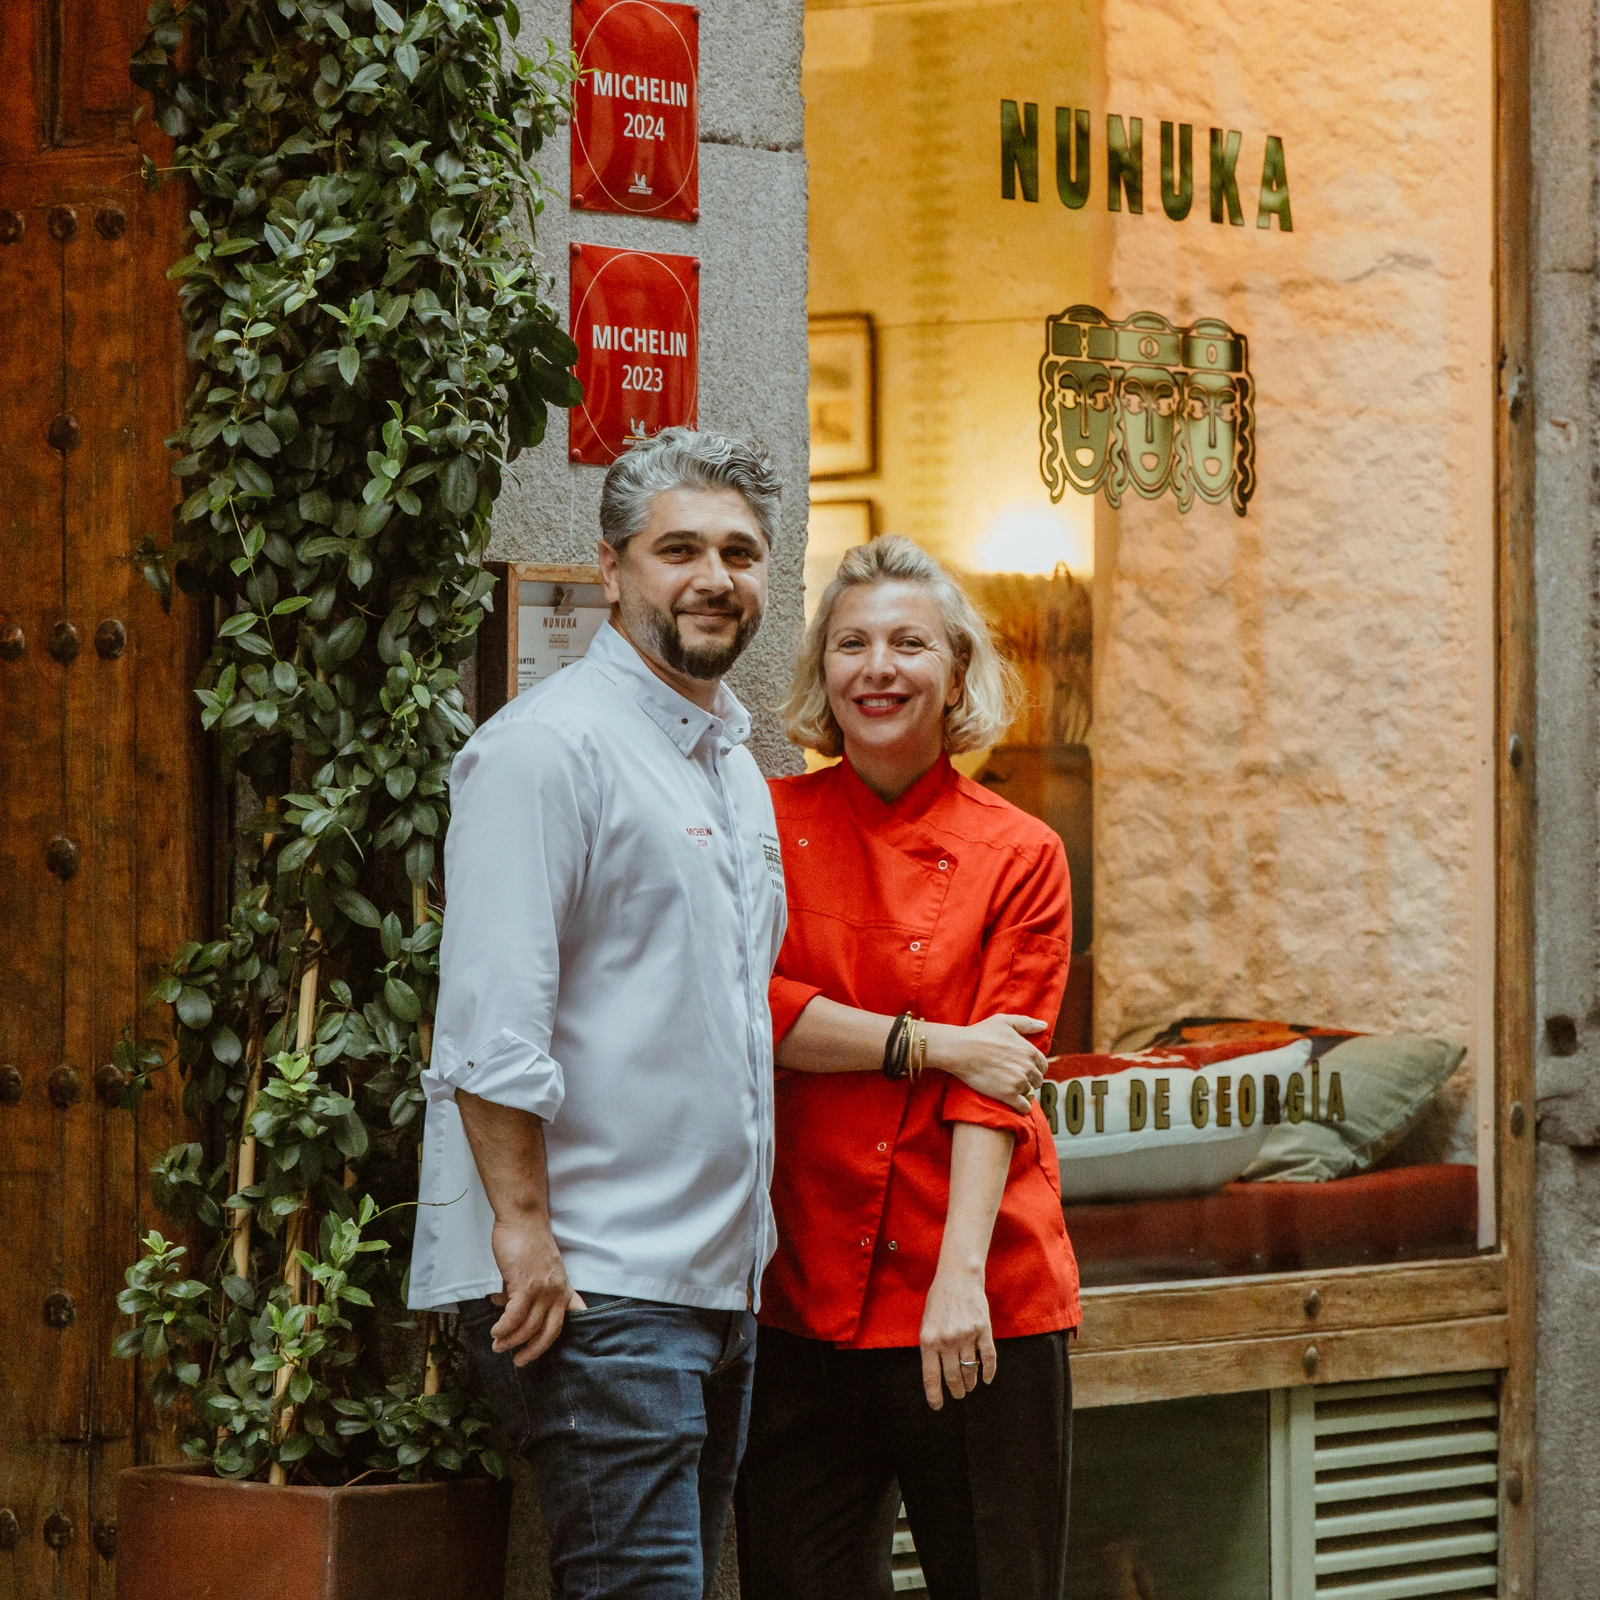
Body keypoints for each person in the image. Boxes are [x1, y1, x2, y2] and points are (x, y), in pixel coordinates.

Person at [407, 428, 788, 1600]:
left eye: (741, 551)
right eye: (679, 549)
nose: (713, 578)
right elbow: (489, 1019)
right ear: (612, 568)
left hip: (718, 1291)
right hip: (598, 1287)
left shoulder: (730, 761)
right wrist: (520, 1231)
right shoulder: (545, 751)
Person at [735, 535, 1081, 1600]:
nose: (876, 667)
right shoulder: (763, 825)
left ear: (958, 672)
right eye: (851, 643)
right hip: (798, 1293)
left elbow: (998, 1081)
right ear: (821, 672)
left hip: (976, 1295)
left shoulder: (1020, 851)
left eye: (907, 643)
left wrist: (958, 1283)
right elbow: (749, 1012)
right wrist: (921, 1041)